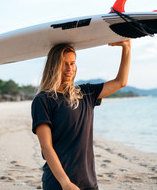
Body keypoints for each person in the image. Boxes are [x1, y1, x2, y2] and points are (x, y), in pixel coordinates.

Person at [31, 40, 131, 190]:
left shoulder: (86, 93)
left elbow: (120, 82)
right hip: (58, 183)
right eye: (64, 63)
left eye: (72, 63)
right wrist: (65, 182)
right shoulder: (43, 100)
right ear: (53, 65)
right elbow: (46, 146)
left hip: (88, 181)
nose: (69, 68)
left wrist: (127, 47)